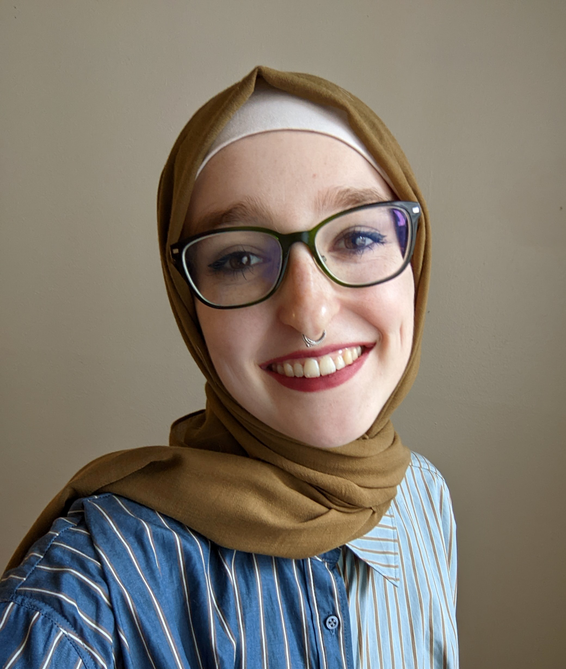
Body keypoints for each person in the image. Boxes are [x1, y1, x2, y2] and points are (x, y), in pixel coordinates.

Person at [0, 66, 458, 668]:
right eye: (239, 257)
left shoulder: (424, 498)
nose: (309, 313)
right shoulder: (92, 589)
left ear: (413, 258)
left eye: (358, 239)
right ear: (187, 303)